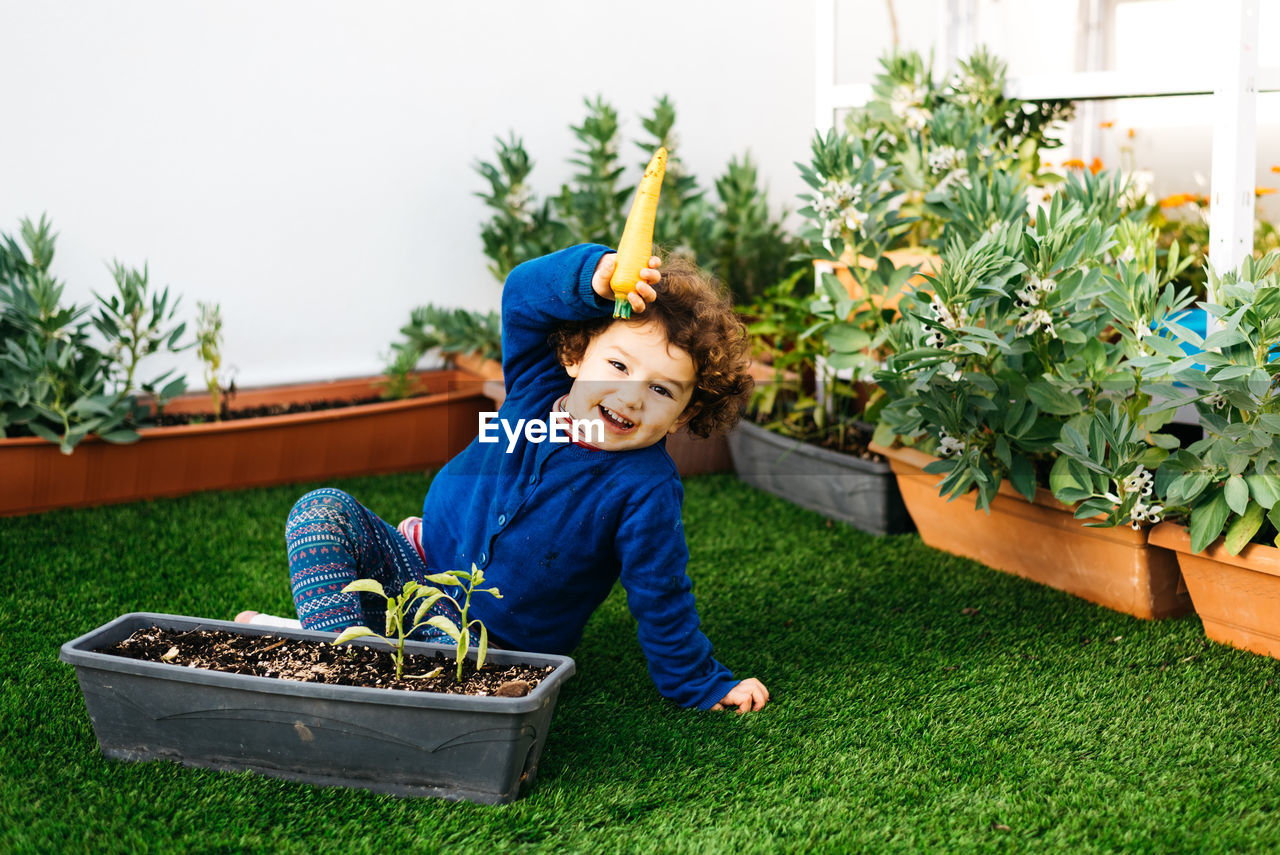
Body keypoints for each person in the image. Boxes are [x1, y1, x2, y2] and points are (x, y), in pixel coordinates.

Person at [239, 244, 769, 712]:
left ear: (682, 415)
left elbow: (661, 594)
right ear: (575, 355)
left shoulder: (645, 489)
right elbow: (521, 293)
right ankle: (339, 662)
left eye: (663, 390)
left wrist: (699, 682)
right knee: (320, 511)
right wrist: (593, 276)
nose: (631, 394)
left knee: (441, 666)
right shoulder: (534, 387)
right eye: (619, 366)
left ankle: (339, 659)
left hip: (485, 641)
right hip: (416, 565)